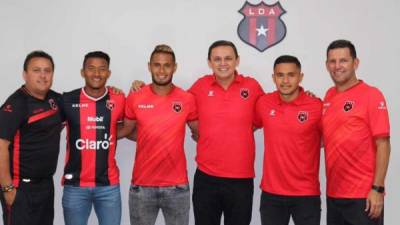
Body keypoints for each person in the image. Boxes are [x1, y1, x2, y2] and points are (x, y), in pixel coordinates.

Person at [121, 44, 198, 225]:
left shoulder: (187, 99)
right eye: (157, 65)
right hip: (142, 187)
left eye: (167, 65)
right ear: (149, 66)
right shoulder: (136, 97)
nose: (162, 70)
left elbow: (200, 131)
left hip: (177, 187)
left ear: (175, 67)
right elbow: (127, 130)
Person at [189, 40, 264, 225]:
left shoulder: (252, 87)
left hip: (241, 180)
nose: (223, 63)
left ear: (237, 60)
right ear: (209, 63)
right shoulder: (200, 86)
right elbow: (176, 104)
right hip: (206, 178)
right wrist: (198, 129)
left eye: (228, 58)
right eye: (217, 59)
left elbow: (268, 112)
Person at [322, 39, 391, 225]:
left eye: (343, 60)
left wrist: (377, 189)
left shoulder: (371, 95)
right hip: (334, 195)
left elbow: (383, 144)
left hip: (364, 197)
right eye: (332, 61)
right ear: (327, 65)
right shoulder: (328, 96)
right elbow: (325, 137)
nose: (337, 66)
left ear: (355, 63)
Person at [254, 55, 322, 225]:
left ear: (300, 77)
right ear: (273, 78)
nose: (285, 80)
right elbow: (246, 126)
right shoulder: (264, 103)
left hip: (306, 194)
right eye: (280, 75)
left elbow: (328, 140)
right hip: (272, 193)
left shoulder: (316, 106)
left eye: (291, 75)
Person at [60, 51, 125, 225]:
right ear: (83, 72)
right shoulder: (66, 100)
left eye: (102, 69)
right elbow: (48, 130)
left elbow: (130, 125)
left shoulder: (118, 98)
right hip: (75, 187)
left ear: (108, 73)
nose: (97, 74)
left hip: (108, 186)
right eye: (91, 69)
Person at [0, 51, 63, 225]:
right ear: (25, 74)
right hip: (20, 188)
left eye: (47, 70)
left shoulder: (55, 100)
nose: (43, 75)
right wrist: (7, 188)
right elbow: (0, 146)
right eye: (36, 70)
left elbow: (82, 102)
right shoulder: (16, 104)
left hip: (45, 186)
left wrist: (110, 90)